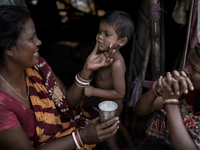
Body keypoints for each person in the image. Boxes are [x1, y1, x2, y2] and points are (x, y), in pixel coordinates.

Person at [0, 5, 120, 150]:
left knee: (98, 116)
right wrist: (81, 137)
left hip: (61, 132)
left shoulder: (37, 66)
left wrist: (86, 69)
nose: (39, 42)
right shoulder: (2, 104)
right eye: (31, 39)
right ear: (9, 49)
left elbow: (67, 102)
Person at [83, 10, 135, 150]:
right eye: (99, 31)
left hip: (113, 106)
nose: (100, 37)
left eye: (107, 34)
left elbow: (120, 94)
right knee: (118, 126)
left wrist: (93, 91)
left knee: (109, 138)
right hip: (103, 104)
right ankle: (131, 145)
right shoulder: (101, 54)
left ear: (122, 41)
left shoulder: (116, 64)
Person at [134, 44, 200, 150]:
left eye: (194, 69)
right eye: (188, 62)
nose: (186, 69)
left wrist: (171, 102)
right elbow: (140, 110)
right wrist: (155, 90)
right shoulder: (184, 88)